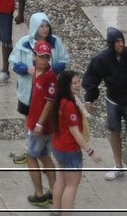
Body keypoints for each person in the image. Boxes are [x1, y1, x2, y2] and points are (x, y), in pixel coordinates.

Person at [81, 26, 127, 186]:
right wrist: (89, 98)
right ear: (111, 43)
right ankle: (118, 165)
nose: (120, 44)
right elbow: (92, 78)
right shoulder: (101, 59)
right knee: (114, 132)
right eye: (117, 41)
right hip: (113, 100)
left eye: (122, 41)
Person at [51, 70, 98, 209]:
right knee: (72, 185)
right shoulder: (70, 105)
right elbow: (75, 131)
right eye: (74, 83)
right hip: (69, 150)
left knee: (62, 178)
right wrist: (90, 151)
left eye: (79, 81)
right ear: (67, 86)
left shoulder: (61, 100)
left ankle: (56, 210)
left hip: (58, 146)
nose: (78, 85)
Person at [22, 40, 59, 207]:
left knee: (31, 157)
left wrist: (38, 124)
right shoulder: (36, 70)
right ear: (34, 56)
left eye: (47, 57)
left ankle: (39, 194)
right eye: (41, 56)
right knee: (45, 157)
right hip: (37, 123)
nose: (44, 60)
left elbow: (50, 102)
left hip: (41, 127)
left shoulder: (50, 77)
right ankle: (53, 191)